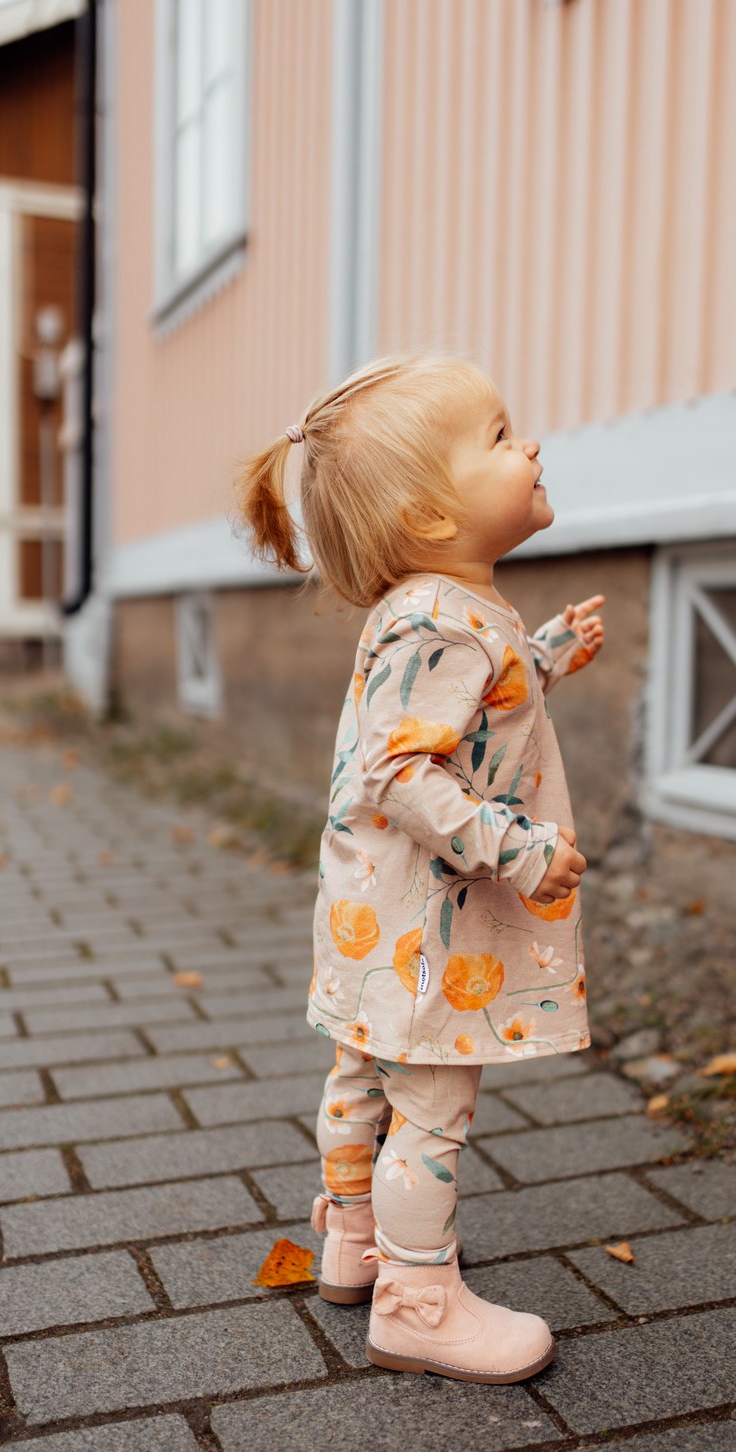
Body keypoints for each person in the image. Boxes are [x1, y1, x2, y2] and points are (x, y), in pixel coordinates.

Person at [237, 354, 604, 1384]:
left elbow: (468, 711)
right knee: (433, 1104)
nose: (529, 445)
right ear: (432, 516)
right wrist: (520, 850)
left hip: (375, 911)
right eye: (499, 437)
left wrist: (541, 655)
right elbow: (400, 771)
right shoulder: (441, 619)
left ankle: (353, 1242)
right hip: (426, 926)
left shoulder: (443, 610)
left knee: (362, 1072)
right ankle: (417, 1303)